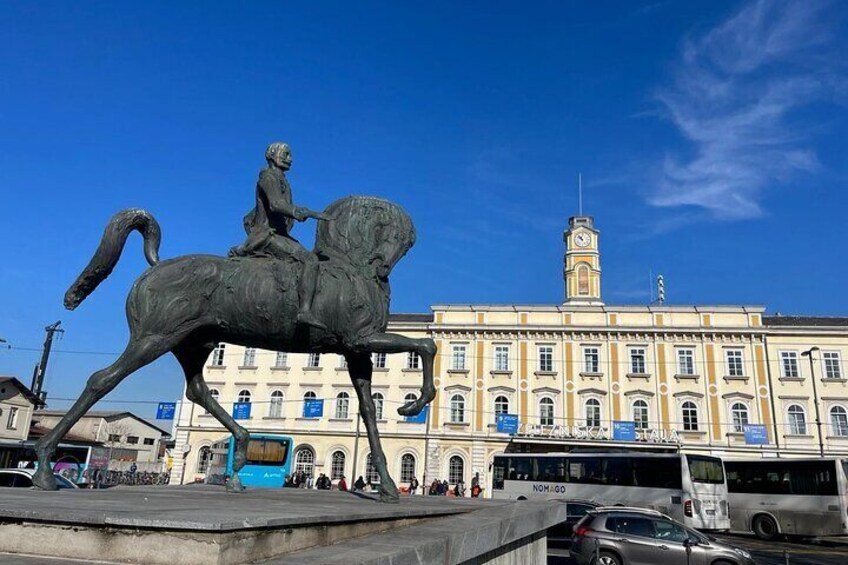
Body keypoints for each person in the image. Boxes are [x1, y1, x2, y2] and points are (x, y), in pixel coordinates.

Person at [229, 142, 329, 330]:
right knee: (310, 260)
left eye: (290, 155)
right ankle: (304, 311)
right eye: (285, 154)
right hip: (268, 235)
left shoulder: (281, 179)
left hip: (279, 234)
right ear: (272, 155)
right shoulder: (268, 177)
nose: (289, 158)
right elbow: (276, 204)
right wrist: (300, 211)